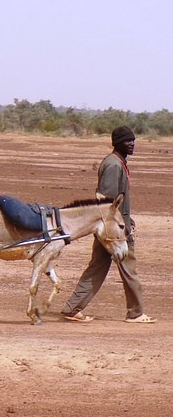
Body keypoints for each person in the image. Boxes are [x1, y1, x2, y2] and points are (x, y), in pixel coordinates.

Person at [60, 126, 155, 324]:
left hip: (112, 226)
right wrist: (122, 226)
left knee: (96, 268)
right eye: (128, 141)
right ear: (117, 143)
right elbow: (107, 203)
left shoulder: (118, 162)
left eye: (133, 140)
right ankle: (136, 313)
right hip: (113, 231)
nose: (132, 144)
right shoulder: (114, 166)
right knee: (129, 268)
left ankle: (72, 308)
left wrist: (128, 219)